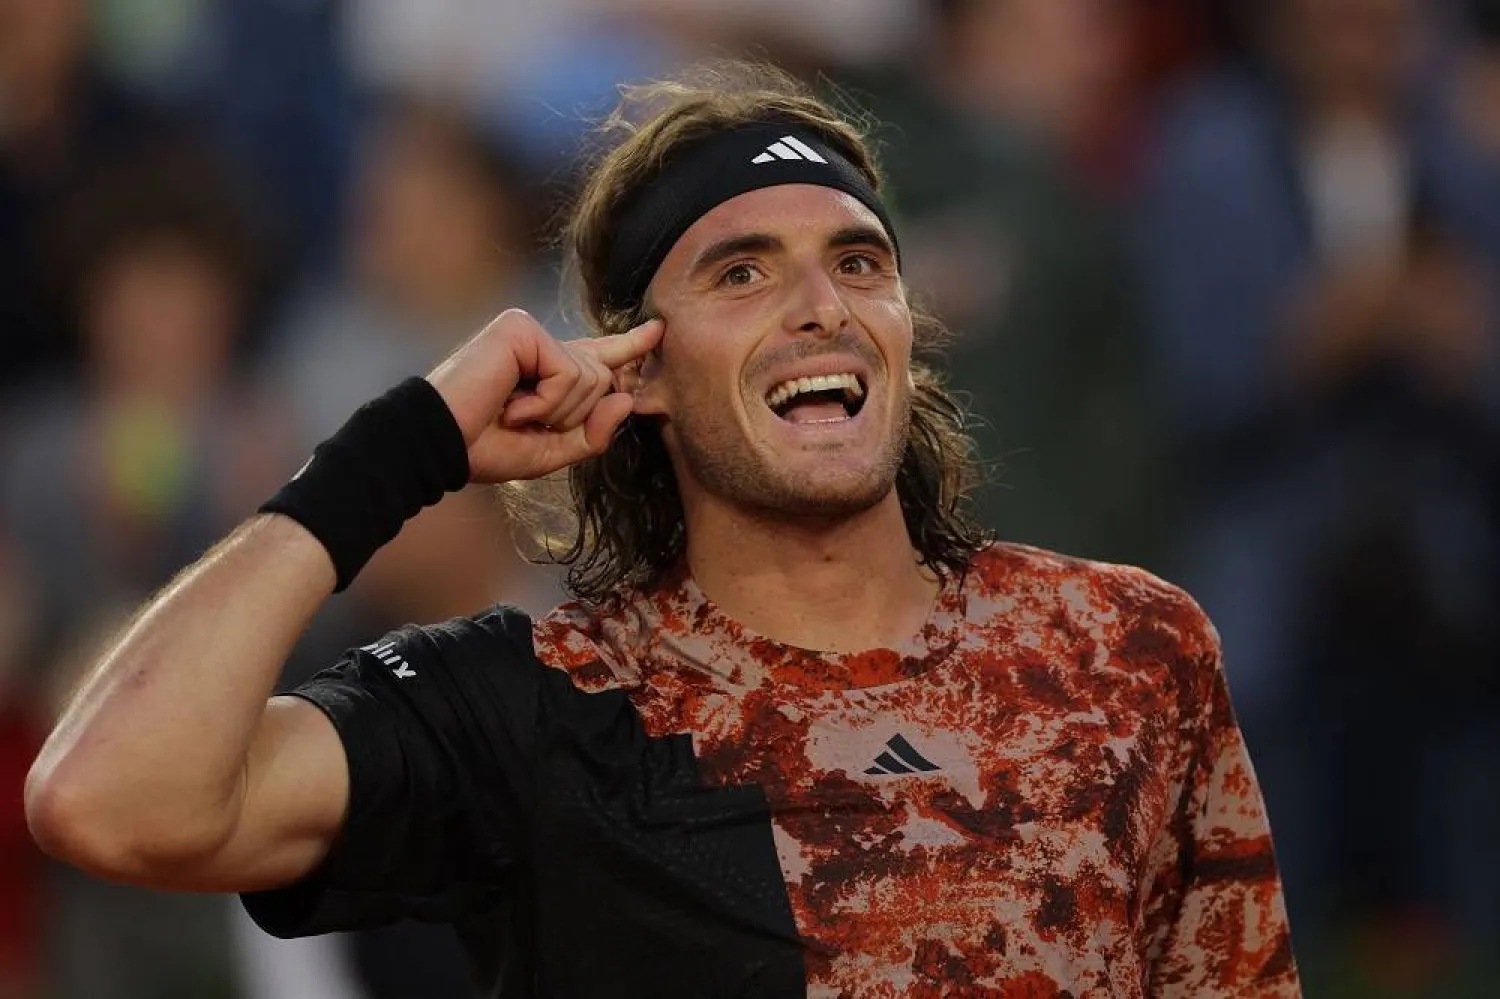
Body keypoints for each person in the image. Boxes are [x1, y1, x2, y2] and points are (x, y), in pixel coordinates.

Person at [25, 62, 1299, 997]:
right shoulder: (538, 703)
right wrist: (395, 454)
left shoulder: (1127, 647)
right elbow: (111, 799)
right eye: (740, 272)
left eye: (860, 264)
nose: (820, 306)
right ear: (637, 371)